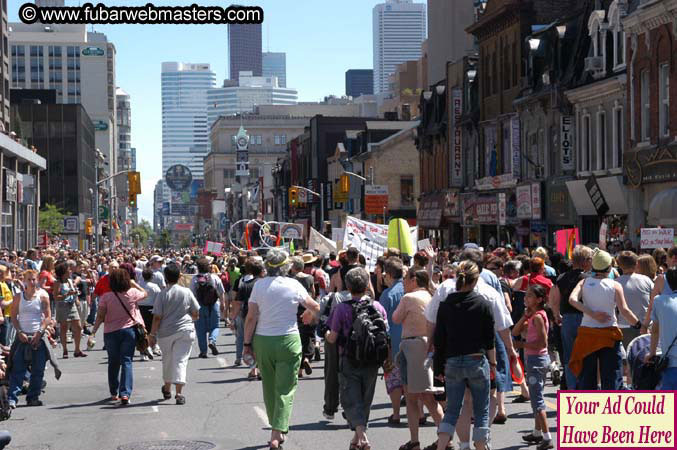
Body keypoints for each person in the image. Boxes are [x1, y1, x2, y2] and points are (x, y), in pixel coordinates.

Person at [242, 249, 320, 450]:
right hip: (289, 340)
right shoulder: (293, 284)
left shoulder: (259, 285)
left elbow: (251, 317)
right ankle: (277, 432)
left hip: (263, 341)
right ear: (287, 266)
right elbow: (315, 306)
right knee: (285, 389)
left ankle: (276, 427)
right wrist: (309, 315)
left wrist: (246, 344)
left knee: (268, 385)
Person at [433, 261, 495, 450]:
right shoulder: (483, 304)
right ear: (475, 281)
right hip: (477, 359)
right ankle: (481, 444)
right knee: (481, 410)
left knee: (452, 410)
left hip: (452, 361)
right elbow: (489, 339)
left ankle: (442, 445)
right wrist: (493, 364)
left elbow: (439, 340)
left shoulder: (445, 305)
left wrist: (438, 368)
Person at [326, 267, 388, 450]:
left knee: (350, 399)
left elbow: (333, 337)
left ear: (347, 286)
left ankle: (362, 437)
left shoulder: (341, 309)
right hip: (372, 360)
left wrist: (327, 332)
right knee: (365, 399)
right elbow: (385, 333)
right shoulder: (377, 307)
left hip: (349, 359)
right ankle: (357, 438)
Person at [568, 250, 641, 390]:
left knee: (587, 377)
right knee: (611, 376)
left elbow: (572, 300)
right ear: (609, 268)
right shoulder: (615, 285)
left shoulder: (584, 282)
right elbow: (624, 310)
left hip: (587, 334)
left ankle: (588, 408)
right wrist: (638, 324)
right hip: (609, 334)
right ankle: (610, 408)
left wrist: (592, 314)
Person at [393, 270, 443, 450]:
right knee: (426, 396)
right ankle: (443, 437)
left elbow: (396, 318)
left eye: (405, 279)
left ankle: (421, 440)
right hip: (427, 346)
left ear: (414, 280)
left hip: (413, 346)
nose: (404, 282)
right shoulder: (431, 296)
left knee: (419, 398)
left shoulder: (409, 298)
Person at [91, 268, 148, 405]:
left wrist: (93, 332)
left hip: (110, 332)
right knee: (127, 361)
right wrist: (134, 284)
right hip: (129, 331)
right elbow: (145, 293)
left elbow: (100, 316)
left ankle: (113, 392)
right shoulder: (132, 293)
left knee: (113, 362)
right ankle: (125, 393)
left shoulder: (106, 297)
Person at [148, 264, 199, 405]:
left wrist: (152, 335)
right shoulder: (187, 292)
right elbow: (195, 312)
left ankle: (167, 387)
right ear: (179, 276)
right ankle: (179, 393)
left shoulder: (162, 294)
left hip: (166, 333)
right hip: (185, 330)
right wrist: (191, 318)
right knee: (181, 360)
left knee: (168, 360)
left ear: (165, 277)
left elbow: (157, 317)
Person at [513, 285, 553, 450]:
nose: (526, 298)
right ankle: (537, 433)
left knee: (537, 401)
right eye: (526, 295)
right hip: (537, 360)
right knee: (537, 395)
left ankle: (547, 437)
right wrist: (524, 317)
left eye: (530, 296)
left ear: (539, 299)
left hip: (536, 360)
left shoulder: (537, 317)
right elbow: (515, 331)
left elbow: (542, 342)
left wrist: (522, 344)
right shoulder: (534, 316)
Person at [548, 245, 592, 390]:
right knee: (586, 355)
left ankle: (572, 388)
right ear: (585, 261)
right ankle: (584, 388)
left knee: (569, 357)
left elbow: (553, 299)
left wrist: (556, 315)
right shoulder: (588, 278)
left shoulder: (561, 278)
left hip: (567, 319)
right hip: (585, 319)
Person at [8, 270, 51, 408]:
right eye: (29, 280)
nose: (32, 282)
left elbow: (48, 316)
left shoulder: (43, 296)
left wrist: (40, 332)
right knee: (18, 369)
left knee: (38, 370)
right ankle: (12, 398)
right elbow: (13, 316)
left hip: (37, 336)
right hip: (22, 337)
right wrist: (19, 331)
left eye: (34, 279)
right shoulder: (18, 297)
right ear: (25, 281)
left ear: (37, 280)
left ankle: (33, 397)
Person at [380, 256, 406, 425]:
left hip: (393, 344)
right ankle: (418, 413)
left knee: (394, 380)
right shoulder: (412, 289)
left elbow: (382, 322)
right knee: (413, 380)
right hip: (414, 342)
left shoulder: (387, 294)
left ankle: (396, 413)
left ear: (389, 274)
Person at [231, 257, 264, 379]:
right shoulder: (264, 283)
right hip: (264, 316)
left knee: (249, 343)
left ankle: (253, 369)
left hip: (248, 315)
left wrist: (232, 318)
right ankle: (261, 369)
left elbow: (238, 304)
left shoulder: (245, 285)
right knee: (260, 342)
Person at [646, 268, 677, 389]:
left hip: (671, 363)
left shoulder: (660, 301)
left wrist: (652, 353)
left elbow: (655, 330)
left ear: (668, 282)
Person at [615, 251, 653, 349]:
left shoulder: (615, 283)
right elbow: (653, 303)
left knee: (629, 359)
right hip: (646, 325)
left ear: (619, 265)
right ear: (636, 263)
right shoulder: (647, 280)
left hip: (625, 326)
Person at [190, 257, 225, 358]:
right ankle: (212, 340)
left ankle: (203, 351)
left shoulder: (195, 279)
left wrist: (192, 309)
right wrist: (222, 304)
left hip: (199, 306)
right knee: (215, 326)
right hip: (213, 305)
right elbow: (221, 292)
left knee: (200, 330)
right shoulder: (214, 278)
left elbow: (192, 295)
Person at [53, 262, 85, 358]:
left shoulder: (70, 281)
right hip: (62, 306)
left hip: (71, 305)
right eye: (68, 270)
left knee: (78, 327)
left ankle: (77, 349)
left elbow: (73, 291)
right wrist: (67, 294)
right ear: (63, 272)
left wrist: (75, 297)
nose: (70, 271)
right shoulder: (57, 283)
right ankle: (65, 349)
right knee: (64, 328)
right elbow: (56, 296)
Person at [138, 268, 162, 359]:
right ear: (152, 277)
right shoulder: (155, 286)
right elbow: (159, 299)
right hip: (151, 309)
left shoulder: (139, 285)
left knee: (141, 331)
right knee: (151, 330)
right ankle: (151, 347)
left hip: (140, 309)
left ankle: (143, 351)